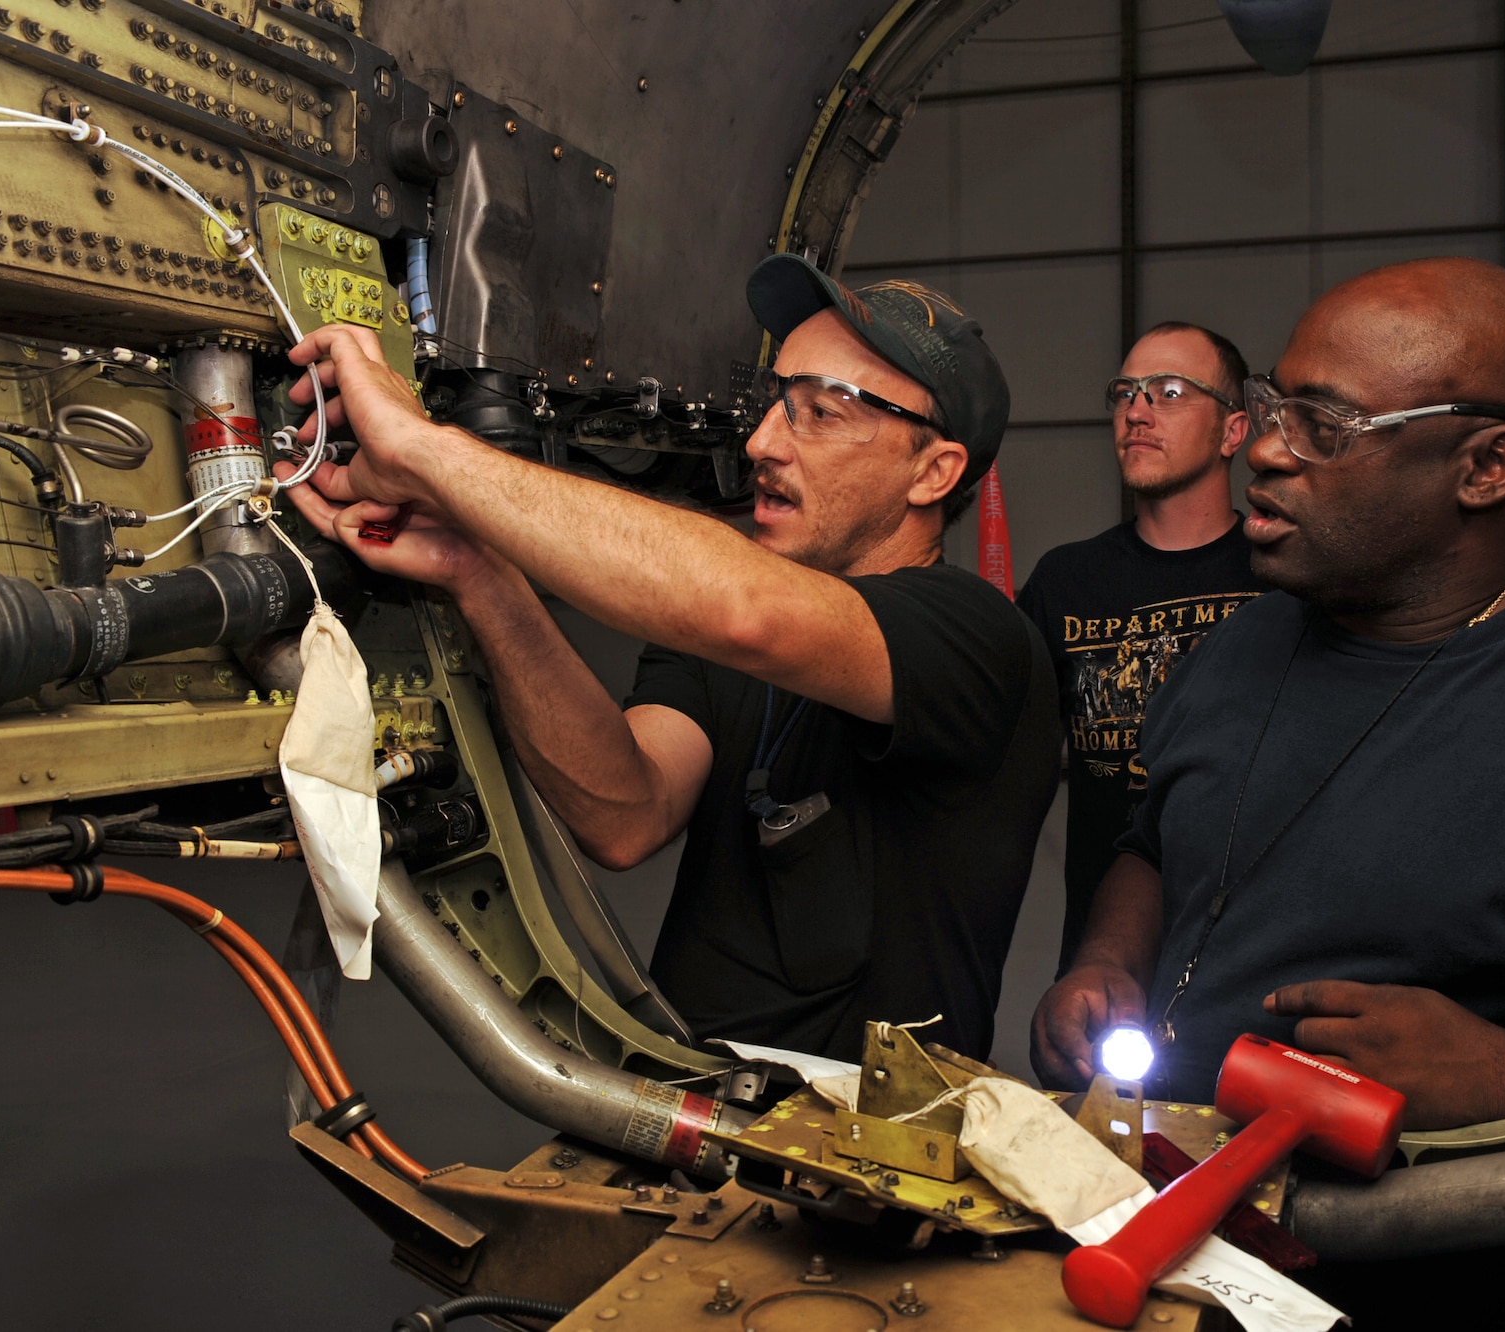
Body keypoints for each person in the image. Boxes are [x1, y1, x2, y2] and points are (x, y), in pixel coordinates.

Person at [1030, 257, 1505, 1327]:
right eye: (1268, 408)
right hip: (1188, 1278)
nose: (1262, 451)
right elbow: (1159, 842)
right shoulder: (1237, 647)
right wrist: (1106, 960)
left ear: (1486, 465)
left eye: (1323, 425)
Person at [280, 256, 1060, 1063]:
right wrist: (481, 576)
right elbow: (624, 812)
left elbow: (744, 609)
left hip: (872, 1151)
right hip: (697, 1115)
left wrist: (421, 449)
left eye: (820, 413)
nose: (762, 442)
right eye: (773, 404)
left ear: (933, 473)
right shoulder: (731, 630)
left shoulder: (978, 640)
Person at [1017, 322, 1270, 973]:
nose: (1137, 410)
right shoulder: (1066, 581)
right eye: (1125, 392)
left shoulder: (1282, 577)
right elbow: (1013, 767)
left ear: (1233, 431)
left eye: (1170, 391)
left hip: (1254, 949)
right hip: (1108, 956)